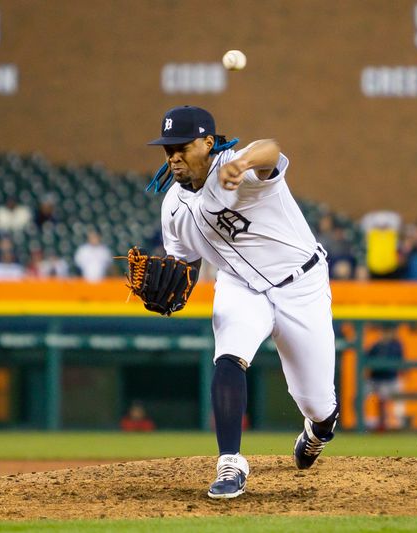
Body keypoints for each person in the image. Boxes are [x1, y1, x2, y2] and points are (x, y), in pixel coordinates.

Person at [146, 105, 337, 499]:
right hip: (239, 285)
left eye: (182, 146)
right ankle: (230, 463)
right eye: (168, 150)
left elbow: (270, 149)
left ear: (208, 143)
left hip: (300, 284)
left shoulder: (237, 167)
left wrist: (244, 160)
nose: (174, 156)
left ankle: (317, 431)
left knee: (319, 405)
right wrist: (174, 285)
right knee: (229, 356)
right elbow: (186, 262)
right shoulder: (173, 208)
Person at [365, 324, 405, 431]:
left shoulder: (396, 345)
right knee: (361, 394)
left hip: (390, 380)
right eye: (384, 332)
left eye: (388, 332)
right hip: (375, 379)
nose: (385, 334)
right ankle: (365, 422)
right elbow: (366, 359)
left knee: (389, 393)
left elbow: (399, 363)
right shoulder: (377, 345)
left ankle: (396, 424)